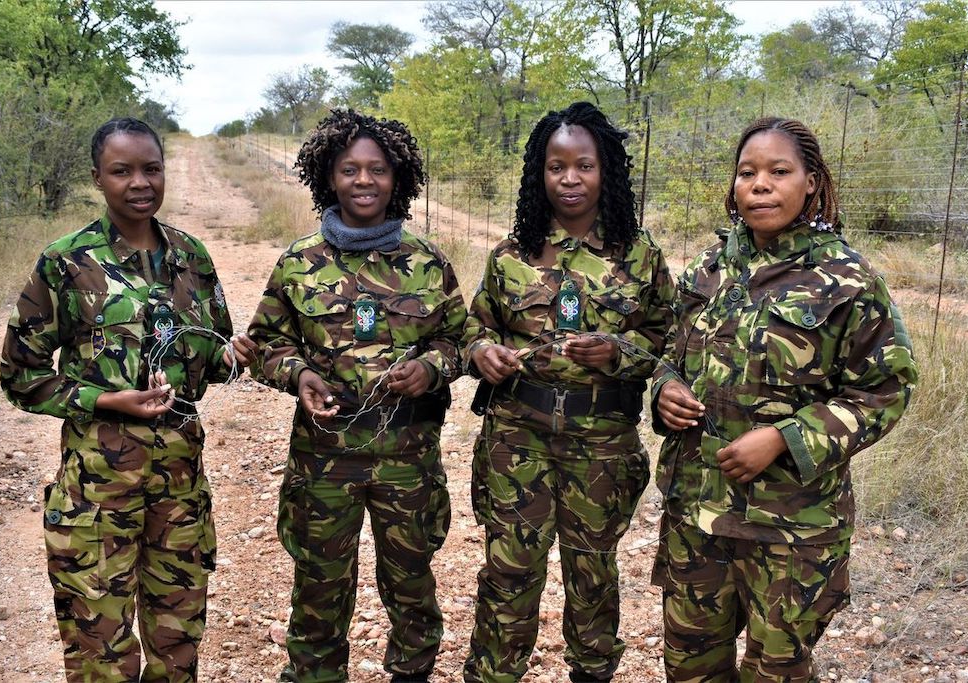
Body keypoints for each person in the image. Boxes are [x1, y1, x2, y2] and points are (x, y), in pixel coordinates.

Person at [651, 117, 919, 681]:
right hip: (696, 514)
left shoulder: (845, 279)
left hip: (792, 527)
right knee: (689, 667)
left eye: (779, 171)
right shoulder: (709, 267)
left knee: (776, 670)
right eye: (747, 173)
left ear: (812, 182)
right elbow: (670, 356)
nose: (760, 185)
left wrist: (783, 438)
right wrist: (665, 390)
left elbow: (885, 390)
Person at [0, 117, 255, 682]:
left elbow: (209, 356)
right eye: (122, 171)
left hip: (180, 488)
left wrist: (235, 355)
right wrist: (107, 400)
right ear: (98, 178)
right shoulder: (67, 262)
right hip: (97, 490)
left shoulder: (192, 256)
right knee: (100, 653)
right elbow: (22, 375)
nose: (140, 183)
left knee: (178, 643)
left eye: (151, 169)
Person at [247, 109, 467, 683]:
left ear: (398, 179)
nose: (364, 181)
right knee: (319, 588)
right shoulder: (299, 263)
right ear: (329, 177)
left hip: (408, 457)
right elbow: (266, 343)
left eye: (378, 170)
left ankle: (412, 673)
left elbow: (460, 340)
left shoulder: (426, 262)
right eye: (350, 170)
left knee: (412, 586)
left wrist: (429, 368)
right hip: (324, 459)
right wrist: (298, 375)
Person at [462, 101, 676, 683]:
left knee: (593, 575)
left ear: (605, 171)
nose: (570, 179)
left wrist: (618, 353)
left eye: (584, 165)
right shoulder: (511, 255)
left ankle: (593, 671)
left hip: (602, 442)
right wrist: (483, 354)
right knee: (509, 573)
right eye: (557, 167)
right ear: (540, 173)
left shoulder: (639, 256)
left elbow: (671, 342)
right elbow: (475, 329)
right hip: (517, 437)